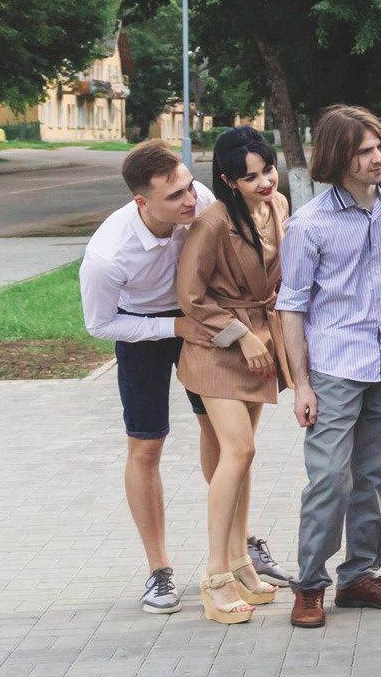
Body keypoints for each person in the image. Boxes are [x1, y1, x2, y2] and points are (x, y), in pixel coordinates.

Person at [79, 140, 290, 612]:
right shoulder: (107, 256)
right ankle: (159, 570)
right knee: (146, 445)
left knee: (227, 440)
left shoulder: (206, 204)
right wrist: (173, 326)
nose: (190, 200)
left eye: (188, 186)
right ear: (143, 202)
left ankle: (239, 552)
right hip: (143, 327)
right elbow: (100, 324)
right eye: (174, 197)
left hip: (209, 321)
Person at [275, 105, 381, 628]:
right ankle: (309, 584)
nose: (376, 158)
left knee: (372, 474)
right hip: (334, 368)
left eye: (379, 147)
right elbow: (291, 307)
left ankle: (360, 576)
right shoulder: (307, 225)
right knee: (328, 481)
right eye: (364, 151)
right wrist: (300, 385)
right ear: (338, 158)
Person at [176, 127, 291, 623]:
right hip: (216, 348)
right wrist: (238, 334)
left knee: (240, 459)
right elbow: (191, 297)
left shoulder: (279, 205)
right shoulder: (213, 223)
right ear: (228, 181)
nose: (265, 181)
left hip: (262, 345)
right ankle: (215, 575)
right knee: (238, 450)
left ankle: (243, 561)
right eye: (250, 177)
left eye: (267, 169)